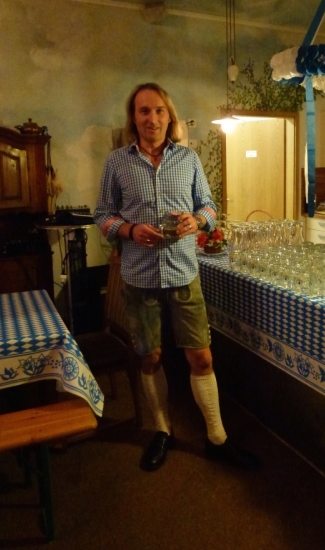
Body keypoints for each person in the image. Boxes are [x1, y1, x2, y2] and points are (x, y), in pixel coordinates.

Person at [94, 82, 259, 472]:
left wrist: (197, 221)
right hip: (139, 276)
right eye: (144, 111)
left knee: (201, 356)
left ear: (170, 117)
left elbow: (210, 207)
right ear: (134, 118)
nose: (152, 118)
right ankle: (162, 431)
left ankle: (217, 438)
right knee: (150, 356)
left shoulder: (188, 159)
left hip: (184, 272)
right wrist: (130, 230)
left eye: (159, 111)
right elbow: (102, 215)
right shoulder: (117, 162)